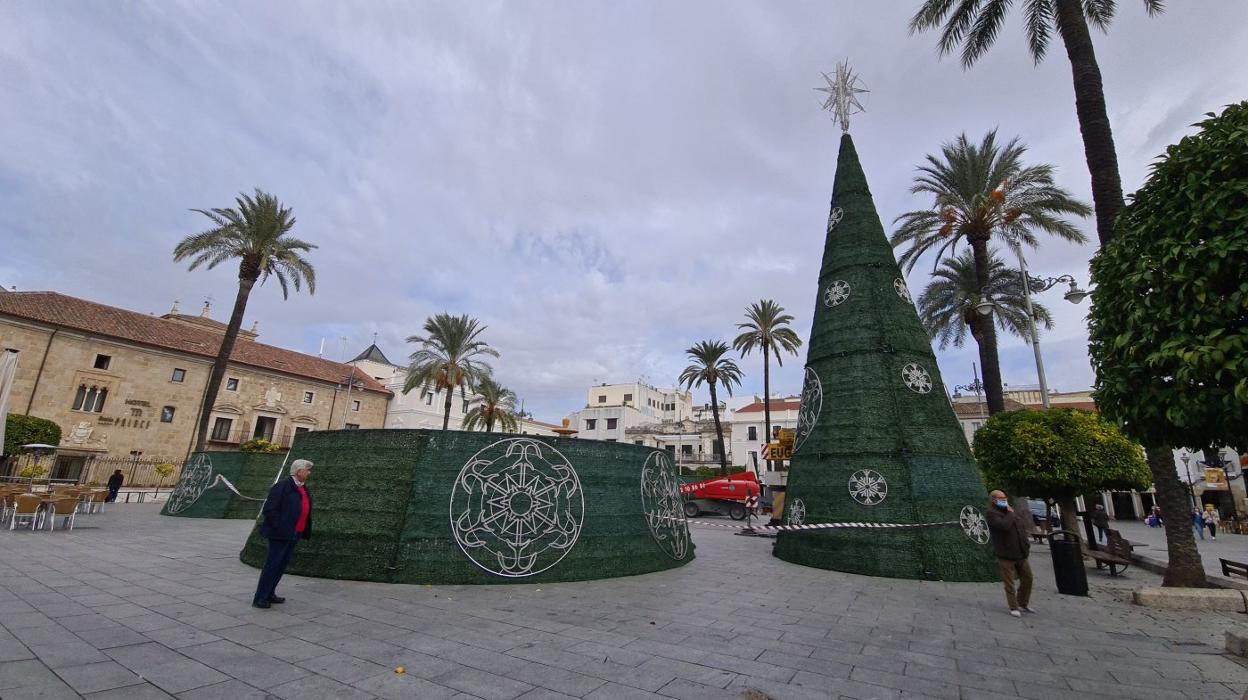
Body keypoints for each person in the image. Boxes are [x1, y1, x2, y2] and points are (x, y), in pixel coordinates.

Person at [253, 459, 313, 609]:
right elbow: (270, 509)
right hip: (281, 534)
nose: (309, 472)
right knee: (272, 565)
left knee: (281, 565)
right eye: (307, 470)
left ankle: (270, 593)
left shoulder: (303, 488)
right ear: (299, 471)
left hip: (295, 533)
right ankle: (260, 597)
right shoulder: (282, 486)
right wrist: (280, 526)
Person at [985, 489, 1035, 618]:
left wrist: (1026, 545)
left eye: (1005, 497)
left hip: (1020, 552)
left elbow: (1020, 527)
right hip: (1005, 553)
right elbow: (1004, 526)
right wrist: (1011, 514)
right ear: (994, 500)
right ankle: (1013, 607)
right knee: (1009, 582)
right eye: (1001, 498)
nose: (1004, 500)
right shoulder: (992, 514)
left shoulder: (1010, 510)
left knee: (1028, 578)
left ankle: (1022, 602)